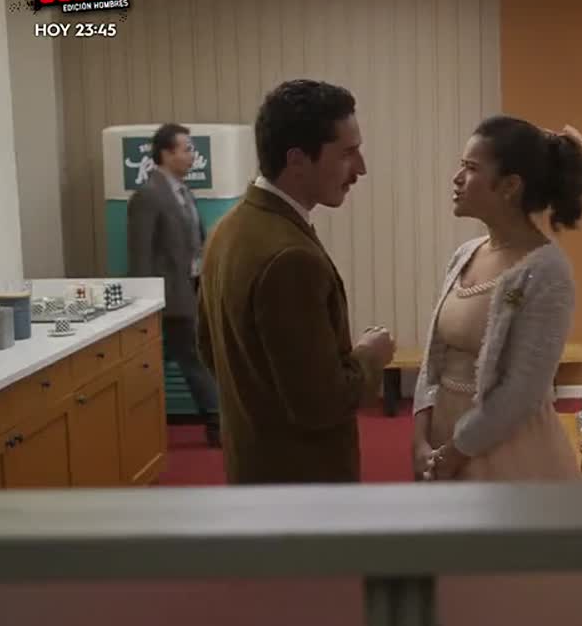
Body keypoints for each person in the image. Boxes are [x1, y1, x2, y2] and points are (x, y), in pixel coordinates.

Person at [196, 80, 395, 484]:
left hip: (252, 468)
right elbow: (321, 405)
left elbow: (207, 348)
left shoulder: (226, 229)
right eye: (348, 153)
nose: (360, 169)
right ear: (298, 159)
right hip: (303, 485)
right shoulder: (291, 257)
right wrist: (370, 357)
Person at [411, 115, 582, 482]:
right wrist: (419, 437)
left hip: (505, 450)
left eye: (471, 168)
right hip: (442, 440)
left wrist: (457, 450)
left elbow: (522, 391)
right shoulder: (465, 253)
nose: (457, 178)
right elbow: (434, 358)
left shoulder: (547, 271)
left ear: (510, 186)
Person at [127, 123, 221, 447]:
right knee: (193, 357)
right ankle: (217, 421)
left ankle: (134, 421)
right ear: (166, 154)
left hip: (191, 290)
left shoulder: (184, 192)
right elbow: (140, 255)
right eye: (186, 149)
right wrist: (145, 303)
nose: (192, 155)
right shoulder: (148, 195)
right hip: (168, 297)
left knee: (178, 357)